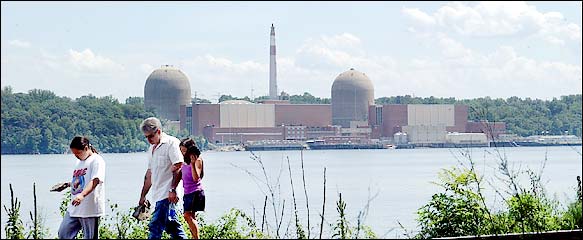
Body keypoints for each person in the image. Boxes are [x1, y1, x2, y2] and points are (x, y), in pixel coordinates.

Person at [138, 117, 187, 239]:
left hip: (167, 194)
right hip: (158, 194)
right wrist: (143, 196)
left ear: (158, 131)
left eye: (151, 136)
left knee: (155, 226)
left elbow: (179, 166)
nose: (148, 139)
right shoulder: (151, 149)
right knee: (173, 227)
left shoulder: (171, 143)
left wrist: (173, 189)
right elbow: (149, 174)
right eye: (146, 137)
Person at [57, 136, 106, 239]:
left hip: (89, 208)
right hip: (74, 208)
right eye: (74, 154)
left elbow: (95, 180)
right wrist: (67, 185)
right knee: (63, 233)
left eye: (78, 153)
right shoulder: (79, 162)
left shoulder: (97, 160)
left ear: (86, 148)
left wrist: (82, 195)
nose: (76, 156)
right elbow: (81, 181)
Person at [179, 138, 206, 239]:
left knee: (187, 215)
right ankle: (194, 237)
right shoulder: (184, 161)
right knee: (191, 217)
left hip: (195, 192)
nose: (182, 153)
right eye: (181, 150)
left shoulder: (197, 160)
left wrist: (193, 164)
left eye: (184, 151)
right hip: (187, 193)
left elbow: (196, 178)